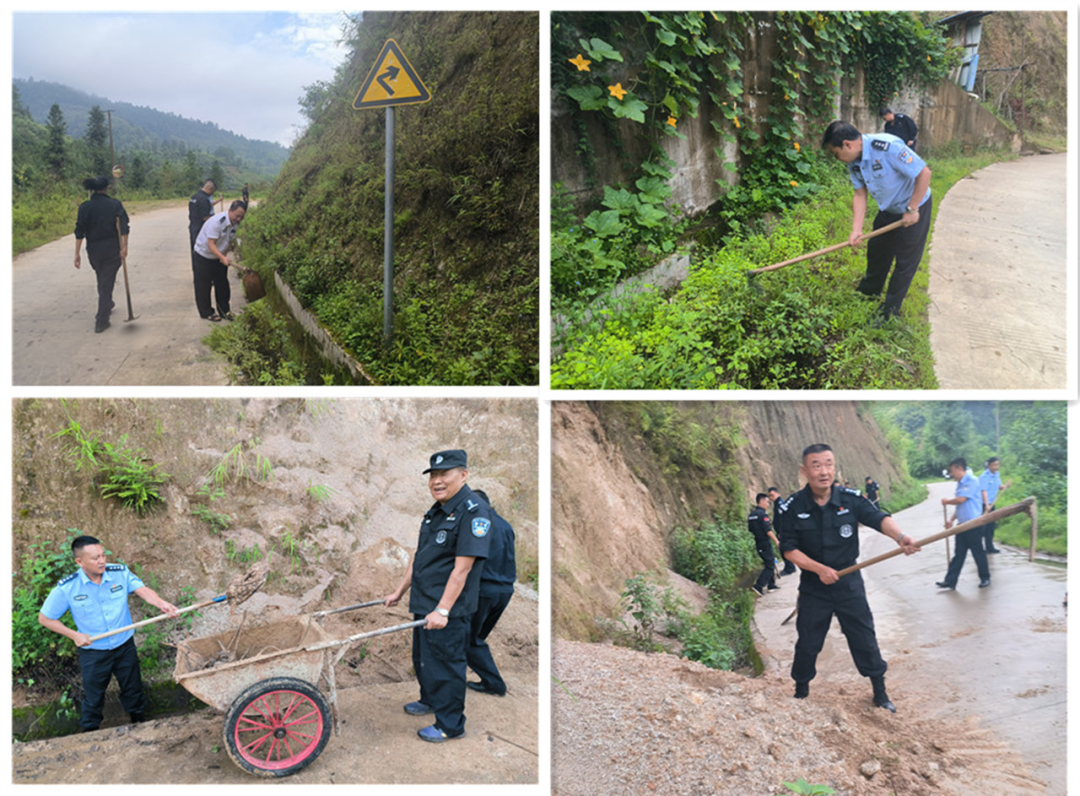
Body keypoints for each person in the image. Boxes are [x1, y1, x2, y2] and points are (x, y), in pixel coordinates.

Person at [777, 443, 920, 712]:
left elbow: (877, 518)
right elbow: (789, 549)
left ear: (835, 467)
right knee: (808, 641)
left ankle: (879, 692)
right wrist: (819, 569)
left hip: (849, 581)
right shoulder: (793, 507)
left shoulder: (850, 499)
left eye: (829, 464)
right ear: (804, 470)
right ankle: (801, 691)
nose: (824, 471)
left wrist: (901, 537)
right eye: (817, 465)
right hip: (814, 586)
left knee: (863, 636)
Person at [384, 450, 491, 742]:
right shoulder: (436, 511)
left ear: (464, 475)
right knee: (424, 659)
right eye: (433, 475)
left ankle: (450, 724)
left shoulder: (474, 512)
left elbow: (462, 569)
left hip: (448, 610)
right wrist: (398, 592)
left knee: (446, 664)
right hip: (424, 602)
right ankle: (430, 700)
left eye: (445, 474)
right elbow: (419, 558)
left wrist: (443, 610)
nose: (437, 481)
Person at [37, 535, 179, 732]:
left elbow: (143, 590)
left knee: (133, 690)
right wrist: (74, 635)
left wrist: (161, 603)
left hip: (124, 645)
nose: (102, 560)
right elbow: (45, 618)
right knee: (94, 697)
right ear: (79, 561)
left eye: (103, 555)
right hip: (94, 652)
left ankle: (140, 725)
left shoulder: (119, 573)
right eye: (95, 558)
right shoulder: (67, 588)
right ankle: (89, 734)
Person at [822, 120, 933, 323]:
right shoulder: (854, 162)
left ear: (847, 144)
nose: (838, 159)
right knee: (877, 250)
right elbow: (859, 195)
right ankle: (869, 291)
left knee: (905, 261)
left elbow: (924, 173)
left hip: (915, 205)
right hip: (889, 208)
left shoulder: (887, 147)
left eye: (836, 154)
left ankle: (889, 310)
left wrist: (912, 208)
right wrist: (856, 230)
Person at [465, 489, 515, 697]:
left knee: (469, 638)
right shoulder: (506, 525)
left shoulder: (480, 524)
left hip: (484, 589)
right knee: (475, 638)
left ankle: (494, 684)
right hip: (505, 590)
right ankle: (485, 679)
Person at [74, 176, 130, 333]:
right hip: (112, 249)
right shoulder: (114, 205)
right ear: (107, 188)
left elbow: (80, 231)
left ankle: (108, 303)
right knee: (106, 281)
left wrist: (77, 253)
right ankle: (102, 319)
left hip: (93, 251)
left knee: (103, 278)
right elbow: (124, 226)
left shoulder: (85, 207)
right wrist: (125, 247)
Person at [938, 457, 991, 589]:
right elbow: (961, 507)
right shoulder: (961, 483)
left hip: (974, 524)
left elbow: (961, 499)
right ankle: (950, 581)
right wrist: (951, 520)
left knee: (977, 552)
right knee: (959, 554)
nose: (952, 474)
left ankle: (985, 578)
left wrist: (947, 501)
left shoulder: (972, 481)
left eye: (952, 471)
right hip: (962, 525)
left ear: (959, 468)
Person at [193, 199, 246, 321]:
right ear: (230, 211)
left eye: (241, 217)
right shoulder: (217, 222)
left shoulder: (235, 224)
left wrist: (224, 256)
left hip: (218, 256)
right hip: (203, 256)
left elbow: (228, 241)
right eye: (237, 216)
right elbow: (211, 244)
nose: (238, 219)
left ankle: (224, 311)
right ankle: (207, 312)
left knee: (222, 284)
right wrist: (222, 257)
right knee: (203, 285)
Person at [748, 493, 781, 596]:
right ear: (761, 501)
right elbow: (768, 530)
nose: (768, 504)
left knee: (770, 561)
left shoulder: (751, 515)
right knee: (770, 565)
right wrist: (776, 541)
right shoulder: (763, 514)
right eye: (767, 502)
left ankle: (771, 585)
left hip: (758, 542)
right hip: (764, 543)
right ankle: (758, 586)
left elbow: (751, 529)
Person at [978, 457, 1008, 554]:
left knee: (991, 527)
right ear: (990, 465)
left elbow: (998, 486)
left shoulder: (996, 475)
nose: (996, 467)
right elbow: (984, 491)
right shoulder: (984, 476)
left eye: (997, 464)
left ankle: (989, 547)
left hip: (992, 503)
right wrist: (987, 505)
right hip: (984, 504)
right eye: (995, 465)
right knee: (983, 527)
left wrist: (1005, 486)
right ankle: (978, 547)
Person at [188, 178, 217, 269]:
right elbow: (206, 218)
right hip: (201, 230)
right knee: (201, 253)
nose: (212, 194)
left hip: (193, 227)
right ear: (210, 189)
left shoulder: (193, 197)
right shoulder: (204, 199)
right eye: (213, 192)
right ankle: (201, 274)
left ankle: (195, 271)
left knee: (194, 251)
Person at [769, 486, 796, 576]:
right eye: (769, 496)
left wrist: (782, 531)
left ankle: (790, 567)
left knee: (783, 549)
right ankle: (789, 567)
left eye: (772, 495)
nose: (771, 498)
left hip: (782, 531)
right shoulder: (777, 504)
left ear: (777, 493)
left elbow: (783, 518)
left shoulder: (780, 504)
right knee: (783, 549)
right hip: (780, 530)